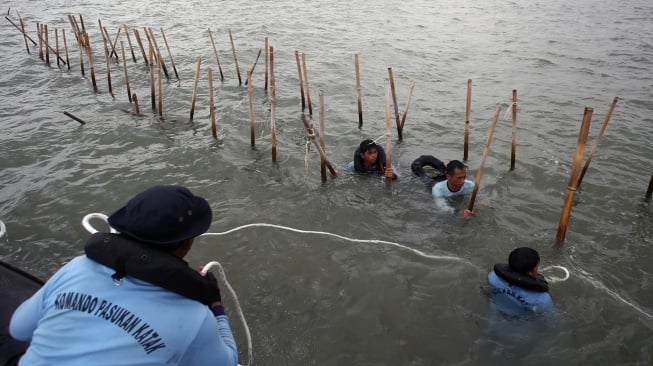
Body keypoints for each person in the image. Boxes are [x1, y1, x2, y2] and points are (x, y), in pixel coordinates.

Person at [9, 185, 239, 365]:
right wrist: (216, 306)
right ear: (186, 243)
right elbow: (228, 362)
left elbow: (18, 328)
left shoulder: (77, 268)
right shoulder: (195, 317)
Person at [487, 247, 554, 315]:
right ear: (531, 272)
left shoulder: (493, 277)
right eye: (537, 266)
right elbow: (550, 320)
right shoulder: (542, 299)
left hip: (495, 316)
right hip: (521, 324)